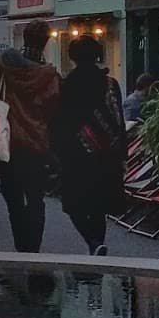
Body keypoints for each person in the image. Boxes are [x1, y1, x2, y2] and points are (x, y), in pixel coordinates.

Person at [0, 19, 61, 252]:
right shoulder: (49, 76)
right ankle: (33, 250)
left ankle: (21, 246)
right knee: (35, 198)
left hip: (6, 141)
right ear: (46, 42)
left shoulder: (2, 65)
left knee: (12, 197)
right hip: (36, 144)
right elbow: (55, 112)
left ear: (24, 37)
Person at [52, 36, 126, 255]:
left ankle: (93, 243)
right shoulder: (110, 84)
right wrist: (122, 153)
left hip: (76, 155)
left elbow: (61, 122)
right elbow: (118, 119)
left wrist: (57, 153)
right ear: (97, 54)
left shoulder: (67, 85)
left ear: (72, 57)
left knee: (73, 204)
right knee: (99, 205)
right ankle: (97, 246)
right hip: (108, 154)